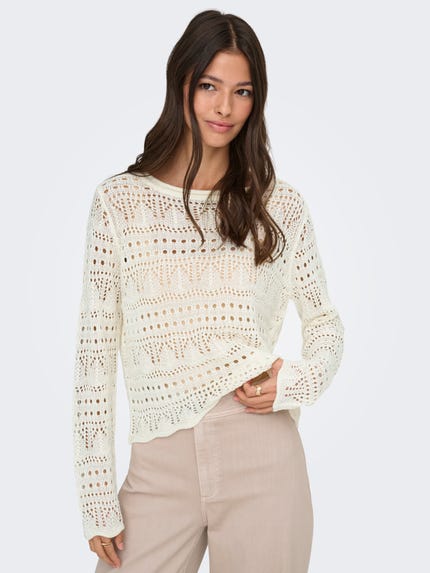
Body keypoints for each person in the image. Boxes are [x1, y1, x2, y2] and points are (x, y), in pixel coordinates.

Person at [72, 9, 344, 573]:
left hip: (261, 455)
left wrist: (296, 380)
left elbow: (325, 324)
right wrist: (96, 492)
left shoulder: (279, 205)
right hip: (157, 467)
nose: (224, 108)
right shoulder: (120, 203)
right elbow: (94, 354)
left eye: (242, 92)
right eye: (209, 86)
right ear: (182, 85)